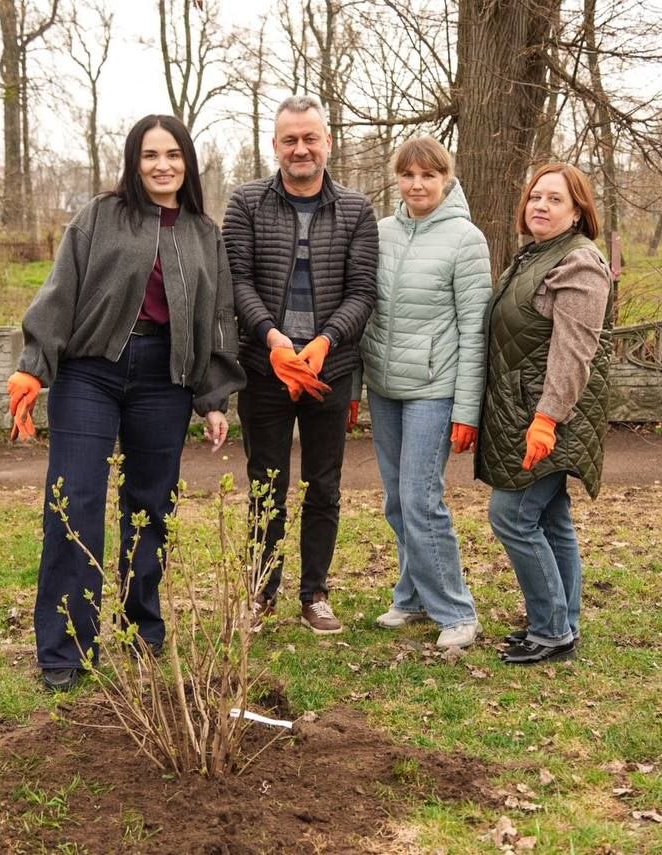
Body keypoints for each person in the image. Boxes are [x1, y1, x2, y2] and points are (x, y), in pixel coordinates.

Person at [8, 115, 244, 691]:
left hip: (164, 378)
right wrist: (34, 368)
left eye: (172, 154)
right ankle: (67, 649)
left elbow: (217, 319)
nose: (161, 165)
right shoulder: (99, 217)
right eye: (148, 155)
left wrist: (212, 397)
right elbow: (60, 292)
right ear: (133, 163)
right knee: (74, 504)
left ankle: (142, 626)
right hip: (90, 373)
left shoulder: (203, 234)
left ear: (188, 162)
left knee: (149, 507)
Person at [223, 95, 378, 634]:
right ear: (275, 145)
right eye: (290, 139)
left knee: (324, 485)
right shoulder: (245, 203)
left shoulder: (357, 210)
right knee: (266, 484)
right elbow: (236, 281)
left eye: (310, 138)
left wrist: (325, 343)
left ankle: (314, 594)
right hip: (265, 370)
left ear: (327, 142)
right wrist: (274, 340)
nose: (301, 148)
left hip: (327, 372)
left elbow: (363, 291)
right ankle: (261, 593)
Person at [475, 162, 613, 666]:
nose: (541, 206)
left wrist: (548, 419)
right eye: (536, 196)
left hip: (549, 416)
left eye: (555, 199)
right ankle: (561, 626)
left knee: (511, 516)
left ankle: (553, 629)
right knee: (551, 519)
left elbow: (573, 353)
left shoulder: (578, 263)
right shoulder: (535, 255)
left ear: (577, 211)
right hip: (523, 409)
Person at [361, 136, 490, 649]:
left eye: (428, 175)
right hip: (384, 388)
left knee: (421, 498)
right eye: (408, 175)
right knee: (397, 500)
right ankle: (412, 596)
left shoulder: (466, 239)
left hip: (434, 391)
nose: (417, 184)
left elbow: (474, 332)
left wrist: (467, 410)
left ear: (446, 179)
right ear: (398, 178)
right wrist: (354, 386)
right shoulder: (380, 233)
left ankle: (457, 611)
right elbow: (362, 310)